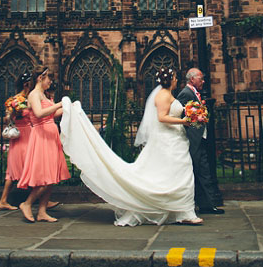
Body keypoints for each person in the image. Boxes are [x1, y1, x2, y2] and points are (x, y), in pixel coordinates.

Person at [59, 67, 203, 226]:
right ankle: (185, 212)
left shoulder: (168, 94)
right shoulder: (162, 95)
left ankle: (181, 211)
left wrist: (192, 113)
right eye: (175, 77)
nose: (177, 80)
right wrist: (184, 121)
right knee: (179, 173)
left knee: (178, 174)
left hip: (175, 139)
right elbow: (162, 117)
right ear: (170, 80)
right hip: (167, 141)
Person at [0, 72, 62, 211]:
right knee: (18, 167)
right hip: (22, 134)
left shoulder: (36, 96)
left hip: (31, 132)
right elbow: (9, 118)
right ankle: (9, 200)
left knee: (37, 166)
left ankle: (42, 200)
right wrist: (13, 113)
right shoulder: (18, 99)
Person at [16, 66, 70, 222]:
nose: (50, 82)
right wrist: (59, 104)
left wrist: (68, 109)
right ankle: (27, 204)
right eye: (49, 79)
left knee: (51, 176)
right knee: (45, 176)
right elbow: (39, 114)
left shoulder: (44, 95)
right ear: (40, 78)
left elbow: (52, 114)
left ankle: (42, 211)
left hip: (50, 135)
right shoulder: (34, 94)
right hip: (41, 136)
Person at [175, 68, 224, 214]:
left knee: (203, 171)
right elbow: (179, 113)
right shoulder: (185, 93)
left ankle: (207, 204)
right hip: (193, 140)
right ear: (192, 79)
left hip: (199, 139)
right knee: (196, 171)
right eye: (200, 79)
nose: (203, 81)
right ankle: (197, 203)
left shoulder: (194, 93)